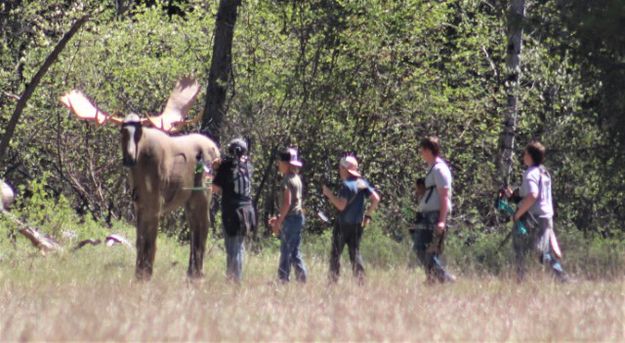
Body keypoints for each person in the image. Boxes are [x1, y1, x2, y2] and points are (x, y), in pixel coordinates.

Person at [504, 141, 568, 282]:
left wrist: (517, 214)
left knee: (522, 246)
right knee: (543, 250)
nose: (523, 156)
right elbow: (528, 194)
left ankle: (520, 279)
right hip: (546, 216)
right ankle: (561, 277)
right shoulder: (543, 172)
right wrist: (513, 196)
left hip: (534, 217)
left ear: (531, 156)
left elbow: (533, 195)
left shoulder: (530, 174)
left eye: (525, 154)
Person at [322, 155, 380, 284]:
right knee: (355, 254)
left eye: (341, 168)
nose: (339, 170)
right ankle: (361, 282)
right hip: (357, 225)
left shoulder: (346, 185)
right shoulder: (361, 183)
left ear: (345, 169)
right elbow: (376, 198)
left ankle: (332, 283)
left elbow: (341, 206)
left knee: (336, 254)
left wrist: (329, 194)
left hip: (343, 225)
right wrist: (368, 215)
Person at [212, 138, 256, 283]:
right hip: (248, 212)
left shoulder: (226, 166)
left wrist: (215, 171)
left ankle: (233, 282)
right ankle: (235, 278)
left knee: (233, 249)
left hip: (233, 213)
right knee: (239, 246)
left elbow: (215, 189)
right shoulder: (248, 166)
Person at [413, 136, 455, 284]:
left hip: (435, 215)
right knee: (422, 248)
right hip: (427, 215)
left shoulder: (439, 169)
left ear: (428, 150)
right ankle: (432, 279)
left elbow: (444, 196)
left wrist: (441, 221)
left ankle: (445, 279)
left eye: (423, 150)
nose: (421, 153)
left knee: (427, 249)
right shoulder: (431, 169)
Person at [268, 147, 307, 283]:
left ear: (286, 164)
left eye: (280, 162)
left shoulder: (286, 181)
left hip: (290, 219)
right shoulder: (296, 178)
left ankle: (283, 279)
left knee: (286, 251)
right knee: (294, 251)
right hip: (297, 217)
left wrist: (279, 222)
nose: (278, 164)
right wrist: (279, 217)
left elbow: (287, 203)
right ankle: (301, 278)